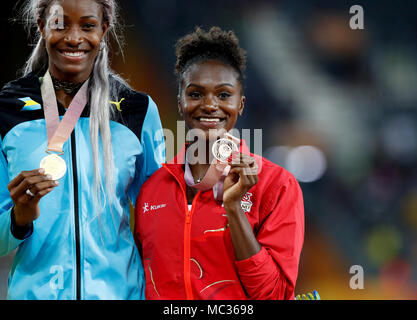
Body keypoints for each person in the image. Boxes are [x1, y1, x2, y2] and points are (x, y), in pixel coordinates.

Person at [0, 0, 165, 299]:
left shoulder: (137, 111)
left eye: (87, 26)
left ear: (103, 29)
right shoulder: (7, 109)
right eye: (60, 25)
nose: (74, 38)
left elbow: (159, 221)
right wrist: (18, 218)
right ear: (41, 26)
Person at [134, 26, 304, 300]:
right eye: (196, 94)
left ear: (241, 104)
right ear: (180, 103)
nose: (210, 105)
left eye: (224, 95)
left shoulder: (277, 185)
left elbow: (274, 295)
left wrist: (234, 209)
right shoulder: (151, 189)